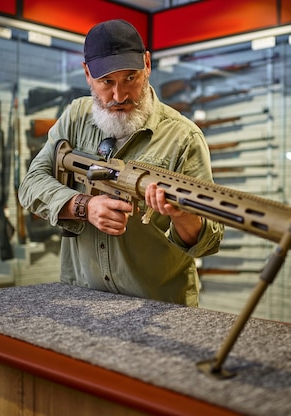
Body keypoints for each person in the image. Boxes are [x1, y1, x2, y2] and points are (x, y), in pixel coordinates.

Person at [18, 19, 224, 306]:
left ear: (147, 64)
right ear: (87, 74)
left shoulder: (184, 136)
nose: (120, 96)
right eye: (106, 82)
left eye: (131, 78)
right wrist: (84, 206)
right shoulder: (76, 116)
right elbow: (30, 184)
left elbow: (209, 240)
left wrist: (181, 214)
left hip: (157, 307)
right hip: (80, 299)